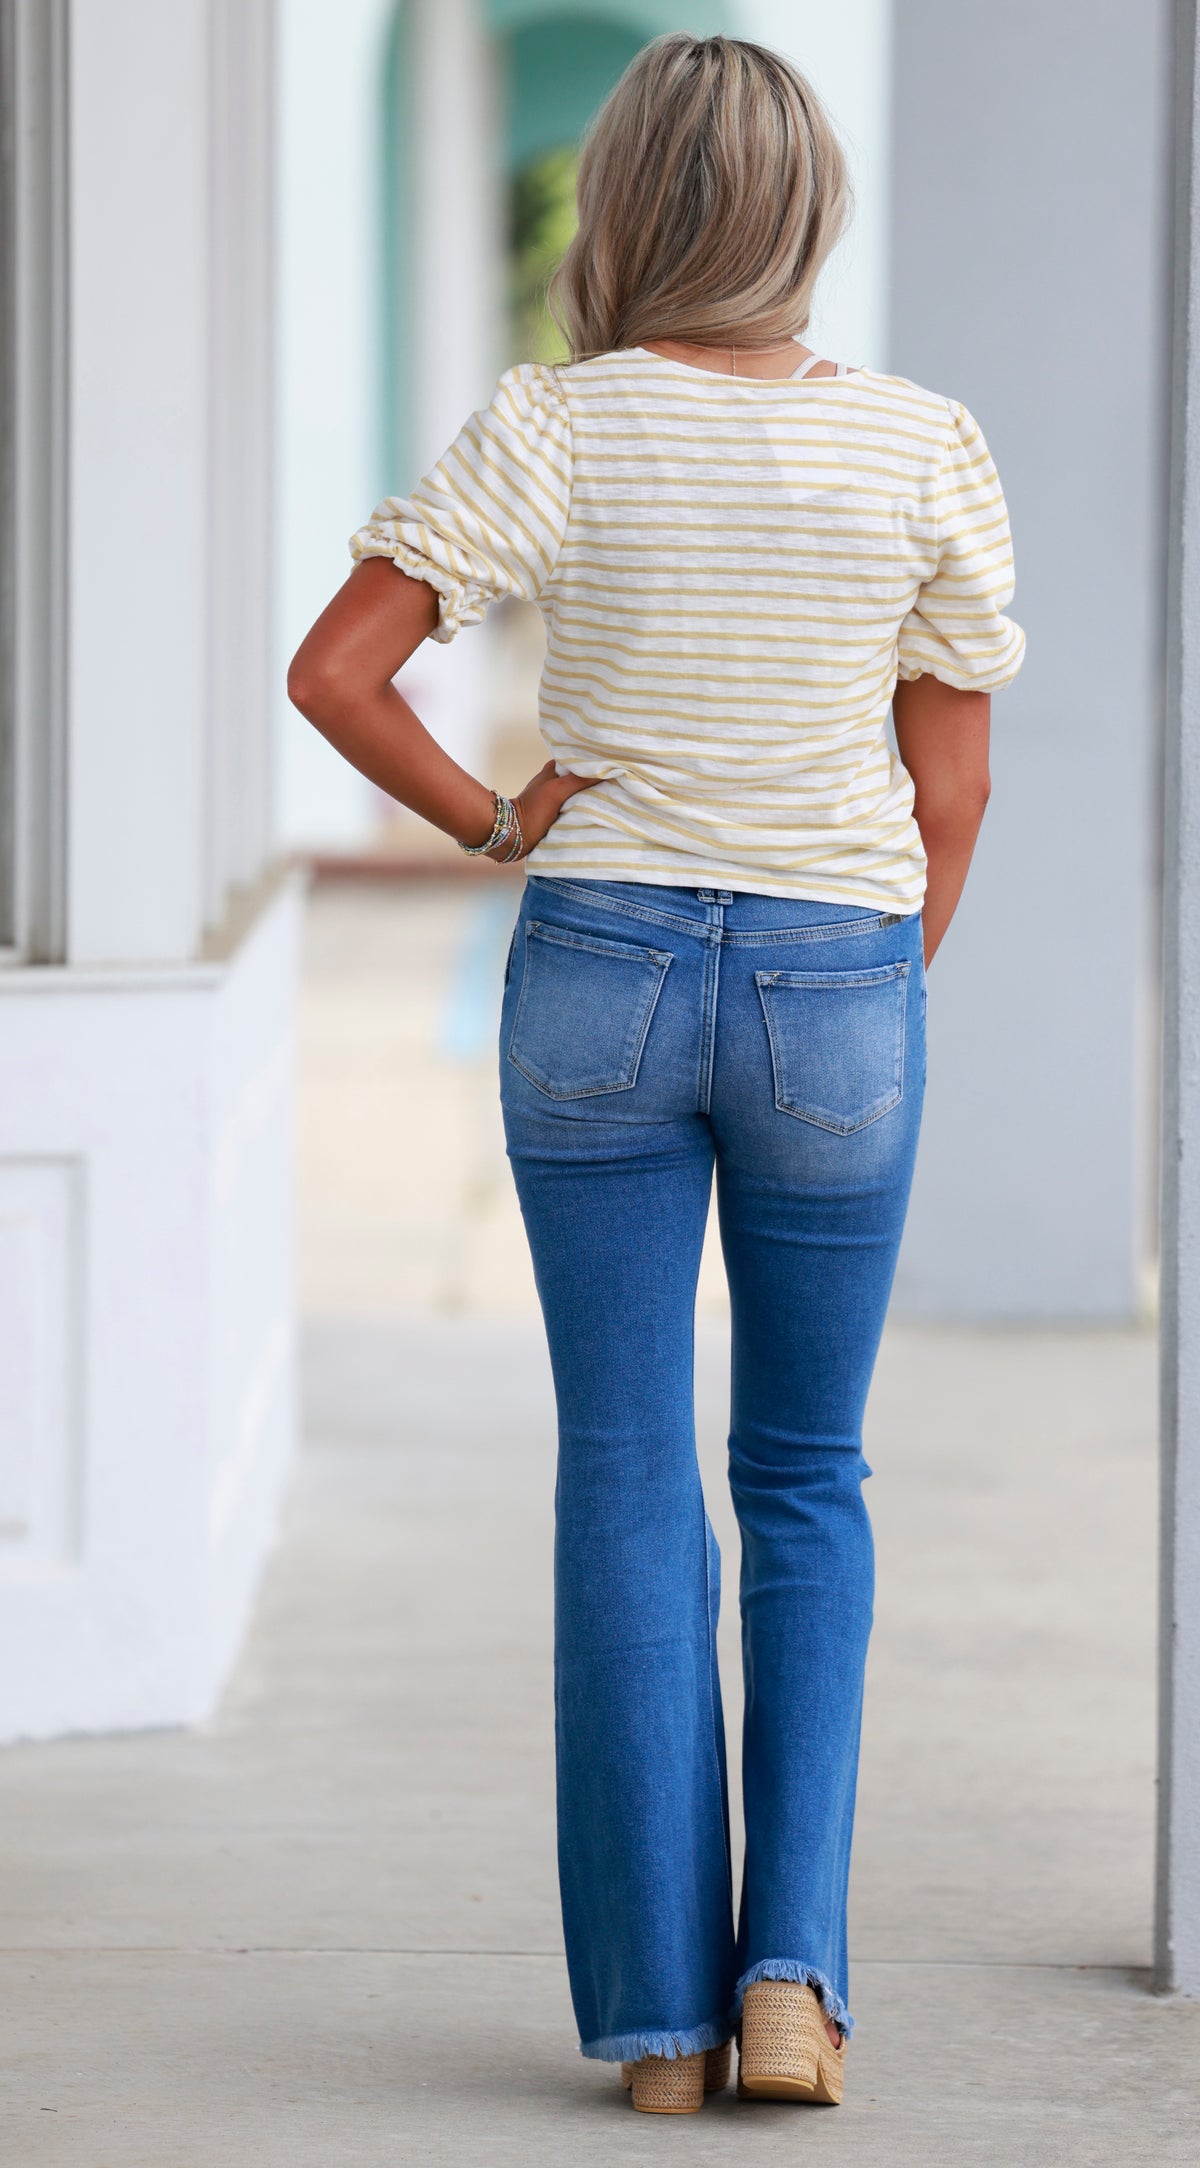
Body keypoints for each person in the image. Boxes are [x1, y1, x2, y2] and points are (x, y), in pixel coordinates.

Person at [289, 31, 1023, 2115]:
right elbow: (948, 800)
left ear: (623, 208)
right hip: (834, 985)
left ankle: (656, 2036)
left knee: (623, 1466)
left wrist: (491, 818)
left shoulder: (554, 428)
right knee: (807, 1473)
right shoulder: (924, 447)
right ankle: (795, 1981)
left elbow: (335, 675)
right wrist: (864, 990)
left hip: (597, 966)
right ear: (812, 213)